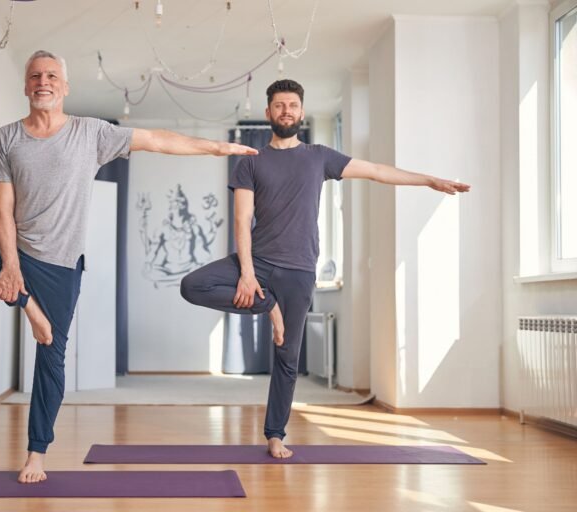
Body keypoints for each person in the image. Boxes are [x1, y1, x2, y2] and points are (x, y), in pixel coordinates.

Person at [0, 50, 257, 484]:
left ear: (64, 87)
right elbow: (2, 210)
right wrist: (11, 273)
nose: (43, 81)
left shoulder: (90, 133)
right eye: (35, 76)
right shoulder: (6, 138)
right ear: (26, 86)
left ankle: (36, 454)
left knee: (51, 358)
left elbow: (156, 139)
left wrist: (217, 147)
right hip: (12, 246)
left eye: (51, 76)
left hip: (60, 265)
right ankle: (27, 304)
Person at [180, 79, 470, 459]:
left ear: (301, 112)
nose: (286, 111)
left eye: (293, 105)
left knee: (287, 355)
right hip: (259, 263)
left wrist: (428, 180)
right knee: (192, 285)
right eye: (279, 105)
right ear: (268, 113)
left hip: (299, 270)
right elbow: (242, 220)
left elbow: (377, 171)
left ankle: (275, 435)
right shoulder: (251, 160)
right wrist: (248, 276)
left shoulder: (319, 156)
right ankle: (269, 307)